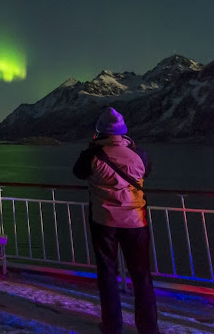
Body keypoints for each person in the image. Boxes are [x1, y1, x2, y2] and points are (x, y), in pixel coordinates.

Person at [72, 107, 158, 334]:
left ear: (99, 132)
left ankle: (112, 326)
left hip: (104, 222)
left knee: (108, 274)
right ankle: (148, 328)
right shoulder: (139, 155)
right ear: (123, 132)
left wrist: (94, 147)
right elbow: (146, 172)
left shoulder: (92, 156)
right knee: (142, 276)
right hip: (136, 222)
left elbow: (78, 172)